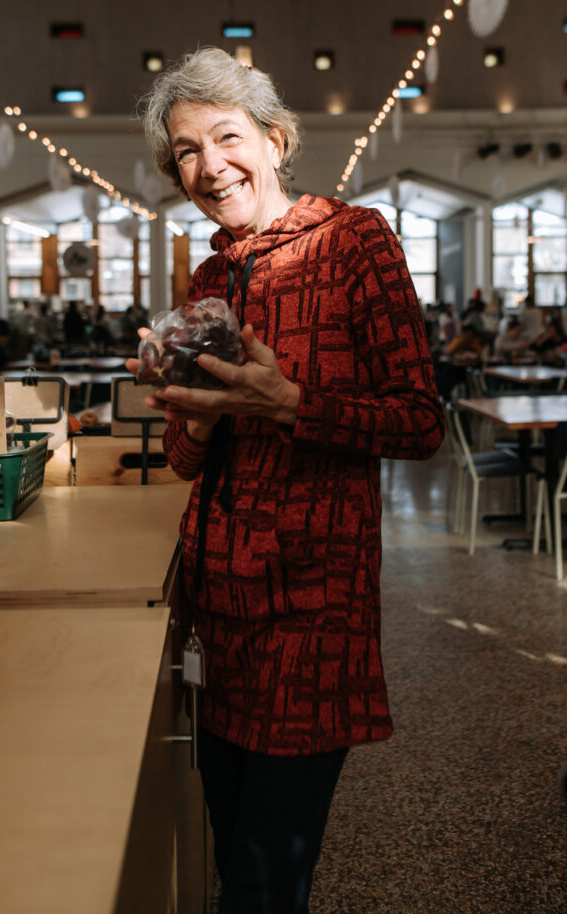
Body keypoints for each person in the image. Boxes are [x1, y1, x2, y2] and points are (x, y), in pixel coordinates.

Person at [131, 46, 444, 914]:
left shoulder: (354, 241)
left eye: (225, 137)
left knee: (268, 884)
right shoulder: (206, 277)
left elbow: (420, 422)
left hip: (311, 611)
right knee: (234, 856)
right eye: (185, 151)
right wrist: (192, 414)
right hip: (215, 610)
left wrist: (287, 401)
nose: (207, 166)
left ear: (273, 140)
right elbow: (189, 462)